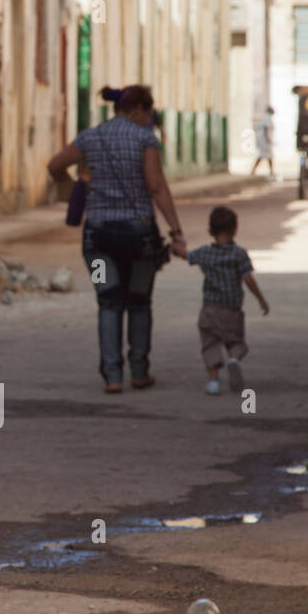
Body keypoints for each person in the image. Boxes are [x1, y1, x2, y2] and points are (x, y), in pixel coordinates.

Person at [47, 84, 187, 393]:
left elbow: (55, 166)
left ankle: (112, 377)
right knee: (139, 301)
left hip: (97, 240)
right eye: (149, 115)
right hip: (139, 237)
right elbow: (156, 187)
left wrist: (70, 191)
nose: (150, 121)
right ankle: (139, 371)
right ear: (139, 110)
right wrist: (176, 233)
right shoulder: (145, 139)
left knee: (107, 301)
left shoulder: (90, 137)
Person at [186, 206, 269, 396]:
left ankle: (214, 380)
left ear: (210, 231)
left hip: (209, 309)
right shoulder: (239, 254)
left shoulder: (204, 253)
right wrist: (261, 300)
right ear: (235, 229)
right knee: (236, 342)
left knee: (210, 344)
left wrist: (177, 245)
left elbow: (187, 256)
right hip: (232, 309)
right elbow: (248, 279)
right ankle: (234, 359)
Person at [251, 106, 275, 177]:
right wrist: (268, 139)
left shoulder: (267, 117)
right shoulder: (267, 118)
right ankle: (253, 170)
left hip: (265, 140)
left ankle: (271, 171)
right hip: (265, 141)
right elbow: (266, 129)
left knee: (268, 156)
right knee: (263, 156)